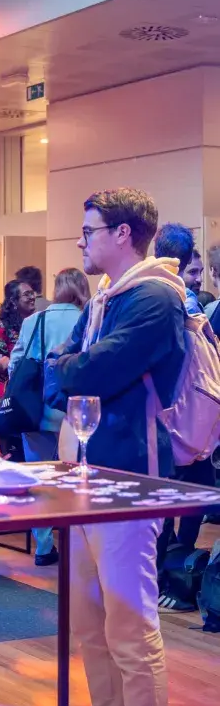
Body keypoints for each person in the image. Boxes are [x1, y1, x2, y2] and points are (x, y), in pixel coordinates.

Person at [42, 188, 186, 706]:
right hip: (88, 477)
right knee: (91, 621)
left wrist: (69, 365)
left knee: (130, 623)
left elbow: (86, 372)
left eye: (90, 228)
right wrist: (69, 365)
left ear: (124, 234)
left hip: (129, 481)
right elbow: (58, 370)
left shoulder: (155, 297)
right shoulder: (109, 297)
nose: (82, 239)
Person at [153, 224, 217, 609]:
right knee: (184, 504)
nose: (196, 279)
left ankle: (174, 574)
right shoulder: (183, 302)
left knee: (171, 505)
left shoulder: (165, 299)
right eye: (193, 271)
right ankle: (178, 573)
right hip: (193, 421)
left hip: (176, 421)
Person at [8, 268, 90, 566]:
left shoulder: (34, 321)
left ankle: (44, 547)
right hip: (75, 413)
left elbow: (15, 364)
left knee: (39, 479)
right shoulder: (89, 319)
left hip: (36, 412)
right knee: (77, 481)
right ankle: (77, 547)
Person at [0, 279, 36, 426]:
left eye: (32, 293)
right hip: (3, 397)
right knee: (3, 449)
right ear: (13, 301)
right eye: (27, 294)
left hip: (27, 395)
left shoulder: (34, 324)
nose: (32, 297)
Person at [154, 224, 200, 315]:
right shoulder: (188, 299)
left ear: (155, 255)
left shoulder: (139, 286)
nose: (199, 279)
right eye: (193, 272)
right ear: (191, 258)